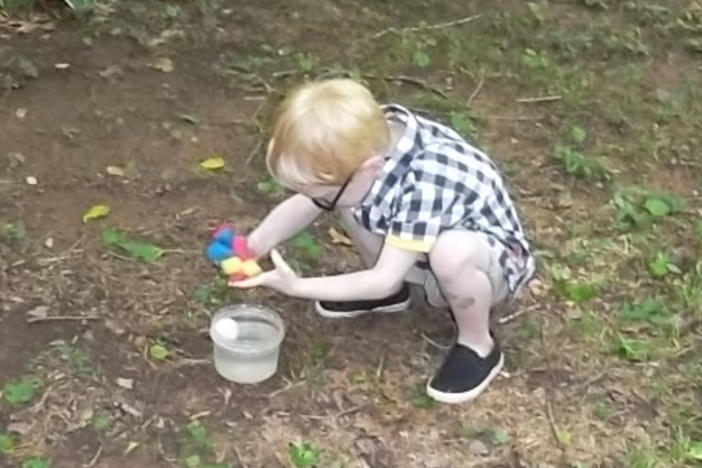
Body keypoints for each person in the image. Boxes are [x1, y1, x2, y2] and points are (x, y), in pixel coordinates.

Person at [232, 78, 535, 404]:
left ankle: (478, 344)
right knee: (348, 200)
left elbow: (381, 277)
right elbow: (309, 202)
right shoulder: (364, 143)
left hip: (490, 262)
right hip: (417, 241)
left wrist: (297, 286)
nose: (314, 200)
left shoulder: (427, 176)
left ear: (370, 168)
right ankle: (391, 296)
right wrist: (256, 242)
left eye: (320, 194)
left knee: (451, 253)